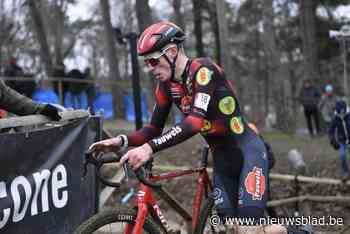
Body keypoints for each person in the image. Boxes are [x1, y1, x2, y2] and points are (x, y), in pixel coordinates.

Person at [88, 21, 310, 234]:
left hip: (248, 152)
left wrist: (148, 149)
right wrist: (119, 141)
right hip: (222, 159)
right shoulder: (166, 86)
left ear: (173, 51)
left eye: (153, 61)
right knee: (231, 229)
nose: (150, 68)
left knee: (249, 230)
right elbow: (153, 129)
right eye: (146, 63)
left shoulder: (203, 71)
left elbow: (194, 122)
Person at [328, 100, 350, 181]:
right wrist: (333, 141)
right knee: (342, 156)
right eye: (339, 113)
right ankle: (345, 173)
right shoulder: (335, 118)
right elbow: (331, 131)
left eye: (343, 112)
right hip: (342, 141)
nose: (341, 115)